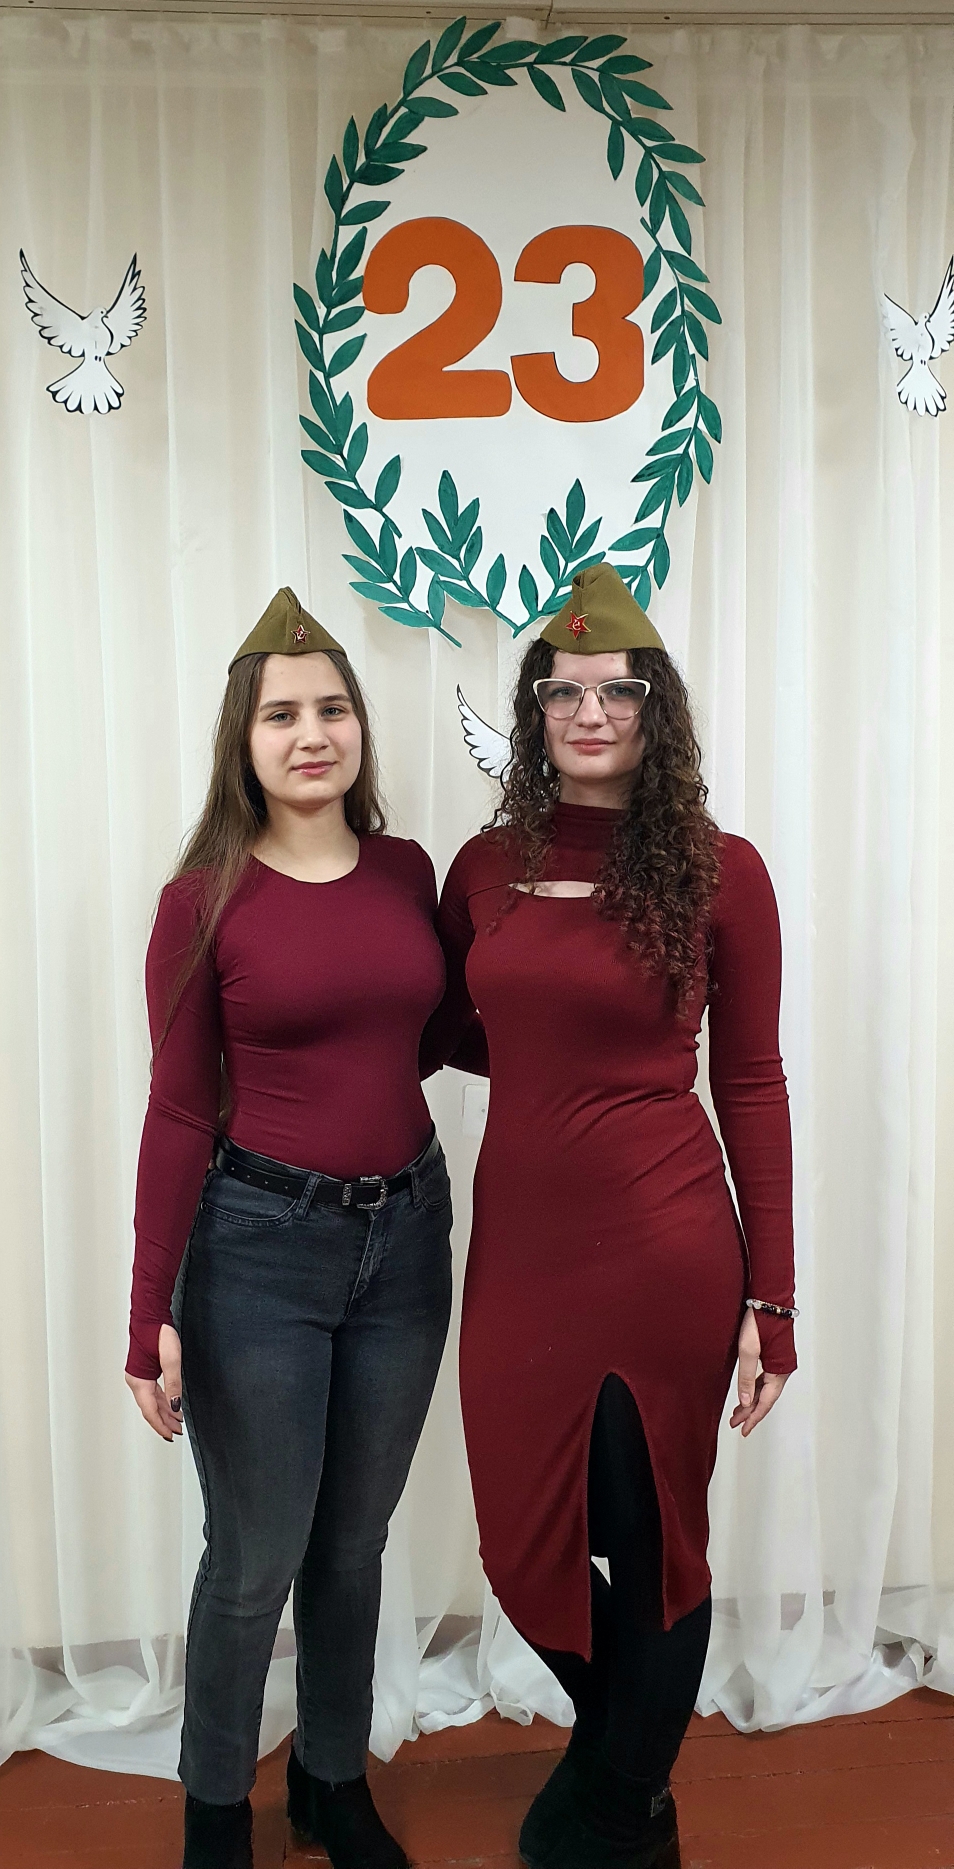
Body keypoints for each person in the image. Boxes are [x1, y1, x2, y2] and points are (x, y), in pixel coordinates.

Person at [422, 563, 797, 1869]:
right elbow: (453, 1027)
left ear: (654, 710)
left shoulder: (721, 872)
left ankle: (624, 1804)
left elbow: (751, 1080)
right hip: (523, 1249)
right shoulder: (484, 868)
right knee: (519, 1539)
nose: (590, 712)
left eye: (617, 691)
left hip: (664, 1246)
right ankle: (622, 1761)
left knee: (651, 1541)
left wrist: (772, 1296)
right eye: (564, 691)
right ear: (534, 710)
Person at [125, 589, 453, 1869]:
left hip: (407, 1238)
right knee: (255, 1556)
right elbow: (175, 1111)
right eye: (281, 715)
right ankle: (216, 1809)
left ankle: (332, 1780)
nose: (311, 734)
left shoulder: (407, 873)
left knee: (354, 1545)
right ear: (243, 739)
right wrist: (147, 1313)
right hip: (258, 1250)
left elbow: (437, 1035)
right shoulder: (201, 900)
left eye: (331, 709)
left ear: (359, 726)